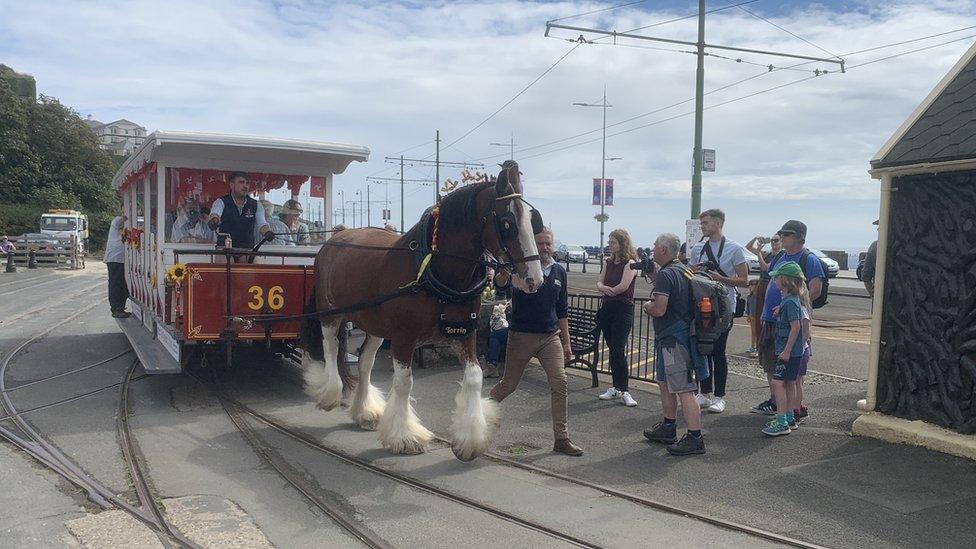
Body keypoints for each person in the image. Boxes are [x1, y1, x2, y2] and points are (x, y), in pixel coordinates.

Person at [489, 228, 583, 457]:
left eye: (547, 243)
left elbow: (562, 310)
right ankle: (479, 415)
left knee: (560, 382)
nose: (544, 247)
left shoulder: (559, 271)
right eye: (539, 243)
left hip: (550, 337)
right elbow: (500, 284)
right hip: (521, 335)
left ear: (553, 244)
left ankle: (561, 439)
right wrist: (504, 269)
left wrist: (567, 342)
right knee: (508, 385)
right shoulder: (522, 268)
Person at [641, 233, 708, 456]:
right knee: (665, 382)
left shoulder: (667, 274)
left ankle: (695, 437)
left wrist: (648, 307)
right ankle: (669, 426)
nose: (651, 249)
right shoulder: (683, 269)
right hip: (679, 335)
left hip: (673, 339)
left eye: (654, 246)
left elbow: (659, 308)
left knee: (684, 389)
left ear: (662, 249)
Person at [752, 220, 825, 417]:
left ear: (799, 237)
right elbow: (770, 275)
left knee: (794, 370)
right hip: (771, 319)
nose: (782, 237)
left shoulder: (809, 259)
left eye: (787, 234)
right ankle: (777, 401)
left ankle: (793, 407)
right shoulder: (781, 256)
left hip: (792, 322)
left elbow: (815, 289)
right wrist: (766, 313)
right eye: (781, 234)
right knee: (770, 362)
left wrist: (789, 307)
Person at [688, 208, 748, 414]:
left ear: (718, 223)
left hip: (723, 307)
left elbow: (743, 280)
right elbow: (690, 273)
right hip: (701, 305)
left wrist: (718, 278)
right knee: (701, 349)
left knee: (718, 351)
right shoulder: (698, 249)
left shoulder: (734, 248)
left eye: (705, 223)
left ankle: (719, 396)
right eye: (701, 223)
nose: (702, 226)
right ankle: (703, 393)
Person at [761, 261, 808, 436]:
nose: (775, 282)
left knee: (777, 383)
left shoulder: (790, 302)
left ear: (786, 281)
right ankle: (789, 416)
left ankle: (781, 421)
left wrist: (786, 350)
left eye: (777, 278)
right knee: (789, 383)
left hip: (787, 351)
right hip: (795, 352)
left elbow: (795, 327)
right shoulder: (790, 301)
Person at [596, 229, 639, 407]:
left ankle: (625, 389)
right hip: (608, 309)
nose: (610, 245)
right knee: (612, 348)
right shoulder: (608, 262)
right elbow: (599, 282)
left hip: (622, 309)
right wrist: (608, 289)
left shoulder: (630, 264)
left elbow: (622, 287)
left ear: (622, 243)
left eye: (613, 242)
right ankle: (615, 386)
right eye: (610, 241)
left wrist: (607, 289)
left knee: (618, 349)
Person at [207, 171, 273, 254]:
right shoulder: (221, 202)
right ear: (231, 185)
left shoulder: (256, 204)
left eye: (247, 183)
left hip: (247, 248)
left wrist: (267, 232)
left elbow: (262, 224)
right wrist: (214, 220)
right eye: (241, 182)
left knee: (250, 265)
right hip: (225, 249)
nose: (245, 186)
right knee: (225, 264)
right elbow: (215, 214)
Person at [105, 213, 131, 318]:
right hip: (114, 260)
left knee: (122, 285)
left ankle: (120, 307)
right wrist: (126, 216)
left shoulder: (122, 233)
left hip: (121, 261)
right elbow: (117, 221)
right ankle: (116, 309)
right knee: (115, 284)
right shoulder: (114, 228)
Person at [484, 301, 510, 379]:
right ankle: (490, 363)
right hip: (539, 331)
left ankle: (492, 364)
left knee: (495, 335)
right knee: (498, 333)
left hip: (524, 330)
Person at [862, 219, 879, 297]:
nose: (877, 229)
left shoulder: (875, 246)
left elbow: (866, 275)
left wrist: (873, 295)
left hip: (881, 295)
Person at [745, 279, 760, 357]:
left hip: (758, 317)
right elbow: (748, 307)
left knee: (757, 332)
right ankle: (752, 346)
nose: (751, 287)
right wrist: (748, 315)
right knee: (753, 332)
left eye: (753, 285)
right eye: (750, 285)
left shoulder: (759, 297)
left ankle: (758, 347)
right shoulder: (749, 297)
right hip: (752, 316)